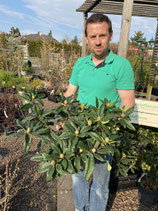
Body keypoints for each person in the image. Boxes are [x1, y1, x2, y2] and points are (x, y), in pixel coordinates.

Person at [63, 14, 135, 211]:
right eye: (92, 37)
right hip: (79, 131)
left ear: (111, 35)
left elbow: (127, 103)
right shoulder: (80, 64)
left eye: (102, 35)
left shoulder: (121, 66)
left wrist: (107, 127)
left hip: (104, 136)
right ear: (86, 38)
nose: (97, 41)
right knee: (78, 177)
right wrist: (63, 119)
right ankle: (80, 208)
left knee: (101, 183)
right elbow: (70, 93)